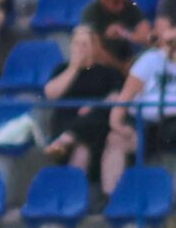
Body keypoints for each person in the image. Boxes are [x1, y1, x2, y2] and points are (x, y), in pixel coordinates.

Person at [105, 25, 176, 193]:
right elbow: (126, 95)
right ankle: (111, 195)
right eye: (169, 42)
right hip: (146, 121)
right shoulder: (149, 60)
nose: (174, 46)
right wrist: (116, 124)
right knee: (115, 139)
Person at [41, 25, 127, 176]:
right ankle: (68, 139)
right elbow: (51, 94)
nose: (80, 48)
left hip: (96, 124)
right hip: (66, 122)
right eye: (76, 44)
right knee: (81, 148)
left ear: (94, 47)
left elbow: (117, 96)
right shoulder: (62, 69)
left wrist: (94, 105)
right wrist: (74, 68)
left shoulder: (108, 72)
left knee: (87, 138)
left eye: (85, 44)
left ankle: (67, 139)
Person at [81, 0, 152, 70]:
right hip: (103, 65)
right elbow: (94, 50)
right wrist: (121, 68)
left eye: (124, 0)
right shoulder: (91, 12)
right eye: (116, 2)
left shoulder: (130, 5)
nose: (121, 6)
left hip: (129, 60)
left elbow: (147, 37)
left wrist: (125, 33)